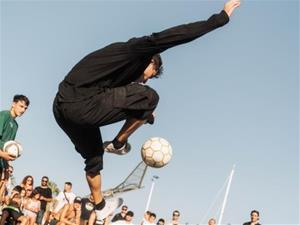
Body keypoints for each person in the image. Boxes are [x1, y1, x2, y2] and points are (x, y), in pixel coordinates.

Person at [53, 0, 240, 220]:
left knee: (94, 159)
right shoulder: (136, 51)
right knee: (150, 97)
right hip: (83, 104)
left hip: (62, 109)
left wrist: (144, 116)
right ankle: (118, 143)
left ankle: (100, 204)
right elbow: (174, 35)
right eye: (147, 75)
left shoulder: (113, 71)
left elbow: (119, 102)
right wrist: (220, 19)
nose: (142, 80)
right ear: (151, 62)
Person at [0, 95, 30, 201]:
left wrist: (7, 167)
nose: (23, 110)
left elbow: (7, 147)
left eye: (25, 108)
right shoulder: (4, 115)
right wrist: (2, 154)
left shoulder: (16, 125)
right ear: (13, 104)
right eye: (21, 106)